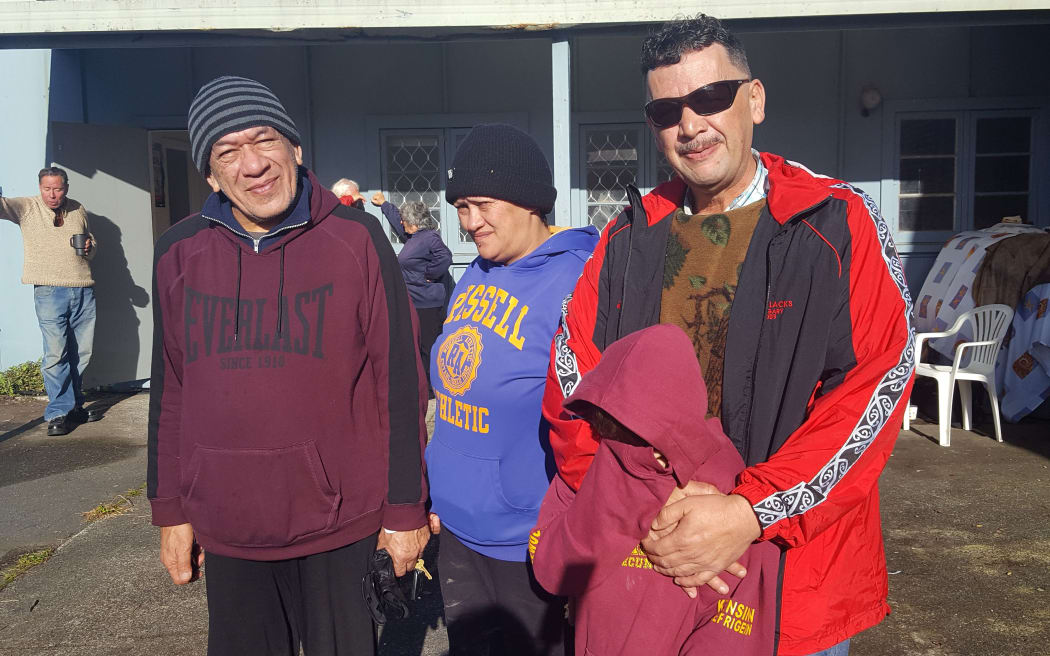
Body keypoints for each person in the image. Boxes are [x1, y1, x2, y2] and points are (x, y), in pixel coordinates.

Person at [543, 15, 914, 656]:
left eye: (711, 98)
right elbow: (575, 382)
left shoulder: (838, 222)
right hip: (649, 560)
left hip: (789, 578)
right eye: (667, 109)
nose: (691, 125)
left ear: (755, 100)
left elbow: (875, 385)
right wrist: (642, 515)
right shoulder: (626, 239)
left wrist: (747, 514)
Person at [148, 75, 430, 656]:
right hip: (229, 526)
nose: (252, 164)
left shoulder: (357, 238)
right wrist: (169, 508)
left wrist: (406, 510)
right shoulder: (177, 252)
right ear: (210, 174)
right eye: (228, 151)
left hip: (338, 522)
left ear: (296, 150)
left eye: (264, 140)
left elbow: (399, 382)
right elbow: (170, 390)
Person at [424, 123, 599, 655]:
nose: (468, 223)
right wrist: (444, 487)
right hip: (456, 530)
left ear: (526, 200)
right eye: (459, 207)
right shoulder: (475, 275)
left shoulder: (578, 280)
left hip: (527, 538)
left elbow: (596, 427)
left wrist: (582, 541)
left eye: (480, 205)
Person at [530, 324, 779, 656]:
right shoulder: (592, 466)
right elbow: (550, 568)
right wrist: (627, 488)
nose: (609, 439)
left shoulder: (729, 491)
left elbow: (739, 624)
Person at [0, 167, 102, 436]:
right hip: (48, 291)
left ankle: (75, 406)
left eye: (57, 189)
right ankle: (58, 412)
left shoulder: (78, 208)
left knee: (81, 353)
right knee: (56, 354)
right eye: (47, 189)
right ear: (40, 187)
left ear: (65, 187)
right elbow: (2, 206)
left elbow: (90, 241)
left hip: (82, 288)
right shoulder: (27, 207)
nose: (52, 195)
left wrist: (90, 247)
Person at [370, 192, 453, 387]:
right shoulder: (414, 238)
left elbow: (445, 256)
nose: (402, 223)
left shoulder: (430, 238)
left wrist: (430, 274)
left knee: (428, 345)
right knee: (416, 344)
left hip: (427, 303)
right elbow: (399, 226)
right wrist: (384, 205)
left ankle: (433, 386)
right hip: (414, 301)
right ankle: (423, 383)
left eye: (405, 220)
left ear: (414, 223)